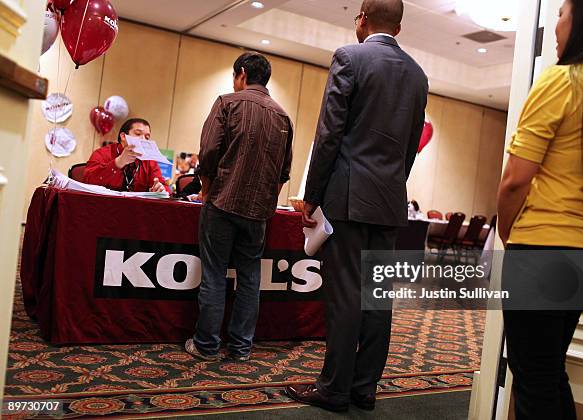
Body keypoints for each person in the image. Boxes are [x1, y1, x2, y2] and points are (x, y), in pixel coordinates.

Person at [286, 0, 428, 412]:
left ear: (362, 20)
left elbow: (330, 133)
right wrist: (392, 184)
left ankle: (333, 389)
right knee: (376, 295)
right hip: (389, 200)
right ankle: (365, 388)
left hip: (348, 196)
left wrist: (312, 196)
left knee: (346, 294)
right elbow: (411, 145)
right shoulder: (418, 75)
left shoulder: (350, 57)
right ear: (398, 30)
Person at [497, 0, 583, 418]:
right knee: (548, 373)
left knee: (532, 376)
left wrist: (507, 233)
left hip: (542, 246)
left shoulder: (561, 81)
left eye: (561, 13)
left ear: (581, 21)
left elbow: (515, 180)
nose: (556, 23)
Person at [185, 52, 293, 362]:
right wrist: (266, 203)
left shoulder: (226, 103)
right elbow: (283, 173)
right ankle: (242, 348)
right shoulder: (282, 116)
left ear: (241, 74)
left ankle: (205, 346)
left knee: (215, 275)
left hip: (221, 202)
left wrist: (206, 190)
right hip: (258, 213)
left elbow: (207, 153)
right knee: (249, 279)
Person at [84, 118, 168, 193]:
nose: (143, 140)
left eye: (147, 137)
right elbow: (88, 181)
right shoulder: (102, 153)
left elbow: (165, 188)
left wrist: (160, 189)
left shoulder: (150, 161)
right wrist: (117, 163)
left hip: (136, 208)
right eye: (138, 134)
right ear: (123, 136)